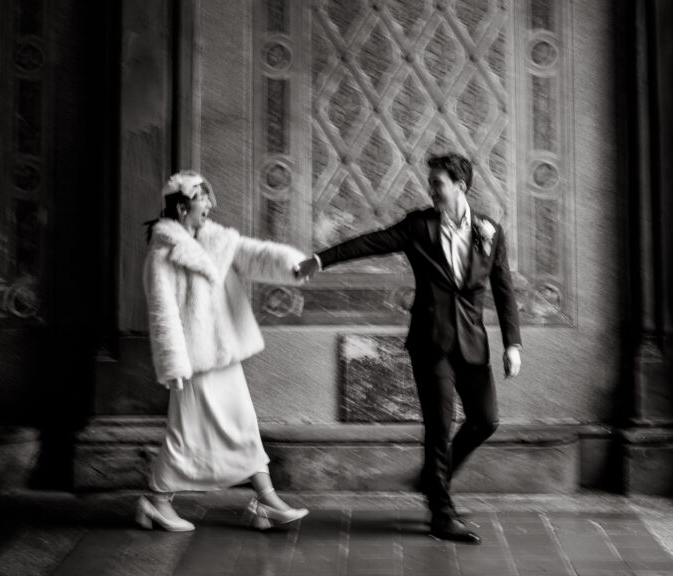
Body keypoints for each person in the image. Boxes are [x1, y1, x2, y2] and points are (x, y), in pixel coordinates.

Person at [297, 152, 521, 544]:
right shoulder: (420, 226)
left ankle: (434, 479)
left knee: (485, 420)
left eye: (437, 183)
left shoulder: (488, 231)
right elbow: (370, 243)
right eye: (431, 182)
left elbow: (503, 289)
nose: (430, 189)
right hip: (431, 341)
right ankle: (441, 513)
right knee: (439, 424)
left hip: (472, 342)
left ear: (460, 187)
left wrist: (512, 343)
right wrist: (321, 259)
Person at [136, 169, 309, 533]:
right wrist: (173, 364)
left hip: (223, 354)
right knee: (185, 435)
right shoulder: (163, 252)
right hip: (193, 362)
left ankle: (266, 501)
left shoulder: (216, 240)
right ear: (182, 207)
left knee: (243, 424)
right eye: (203, 198)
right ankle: (156, 501)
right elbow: (162, 313)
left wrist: (294, 266)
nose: (210, 205)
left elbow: (255, 255)